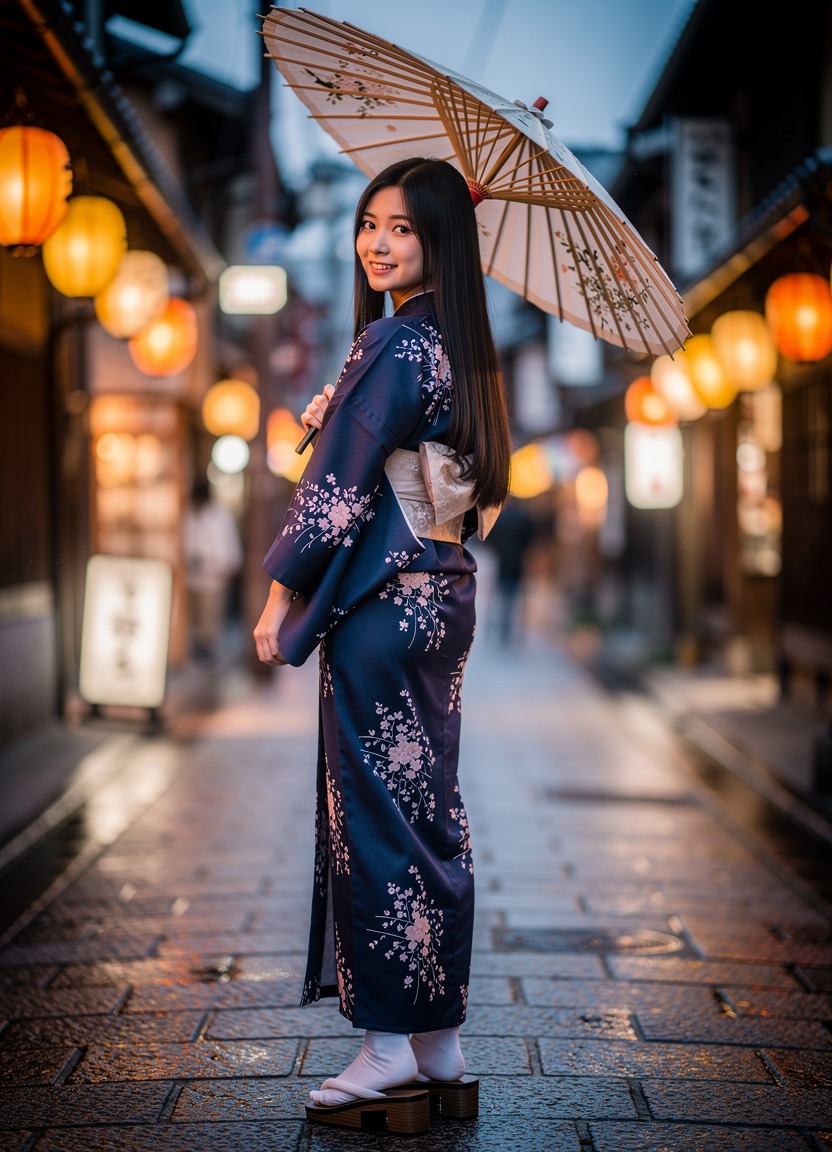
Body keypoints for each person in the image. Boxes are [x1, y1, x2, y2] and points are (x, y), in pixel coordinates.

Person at [253, 157, 511, 1131]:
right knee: (428, 807)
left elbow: (337, 496)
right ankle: (439, 1036)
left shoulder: (398, 345)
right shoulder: (458, 350)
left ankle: (390, 1047)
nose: (377, 243)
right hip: (440, 597)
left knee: (374, 811)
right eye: (369, 224)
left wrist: (282, 594)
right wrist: (336, 412)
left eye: (402, 228)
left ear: (439, 241)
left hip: (378, 602)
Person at [182, 479, 242, 660]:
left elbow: (228, 542)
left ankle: (208, 648)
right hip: (192, 575)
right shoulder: (188, 514)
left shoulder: (219, 516)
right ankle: (199, 647)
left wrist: (230, 564)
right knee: (196, 614)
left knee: (211, 614)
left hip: (214, 574)